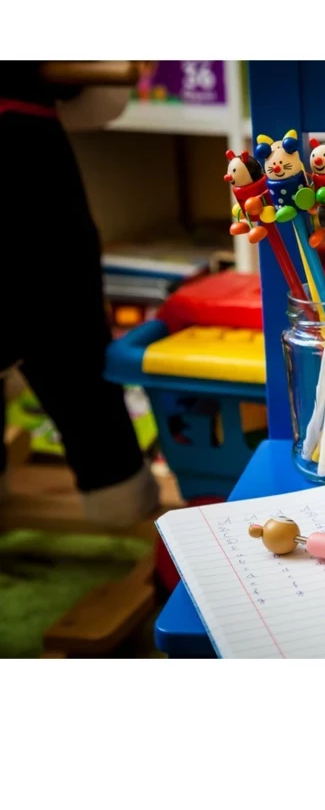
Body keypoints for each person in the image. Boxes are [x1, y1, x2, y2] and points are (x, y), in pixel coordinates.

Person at [0, 62, 159, 525]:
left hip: (29, 158)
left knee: (72, 349)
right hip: (30, 160)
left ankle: (118, 494)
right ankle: (118, 495)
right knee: (72, 349)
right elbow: (100, 102)